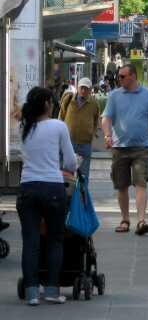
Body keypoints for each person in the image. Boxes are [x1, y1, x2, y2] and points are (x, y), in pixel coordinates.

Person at [17, 87, 77, 305]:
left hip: (27, 188)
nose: (53, 106)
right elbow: (70, 162)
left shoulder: (24, 127)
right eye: (52, 102)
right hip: (53, 188)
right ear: (46, 104)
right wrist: (70, 167)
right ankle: (52, 290)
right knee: (54, 240)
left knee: (30, 241)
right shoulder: (58, 126)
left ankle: (32, 293)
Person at [102, 65, 148, 236]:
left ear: (133, 76)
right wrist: (107, 135)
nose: (118, 79)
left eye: (122, 76)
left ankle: (141, 221)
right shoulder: (114, 95)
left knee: (141, 183)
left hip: (142, 148)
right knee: (122, 186)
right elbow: (106, 118)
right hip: (119, 148)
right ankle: (125, 219)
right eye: (118, 76)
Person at [58, 77, 100, 179]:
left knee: (83, 175)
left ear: (90, 90)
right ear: (77, 88)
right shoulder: (68, 100)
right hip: (69, 142)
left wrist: (92, 133)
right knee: (67, 174)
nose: (83, 91)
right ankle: (69, 189)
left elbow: (96, 120)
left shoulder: (94, 103)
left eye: (86, 88)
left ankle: (82, 190)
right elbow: (61, 116)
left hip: (85, 144)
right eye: (82, 88)